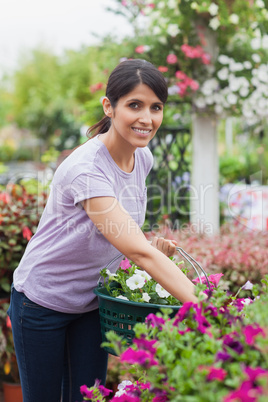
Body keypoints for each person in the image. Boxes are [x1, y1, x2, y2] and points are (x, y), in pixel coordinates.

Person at [8, 59, 197, 402]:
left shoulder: (143, 158)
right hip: (42, 302)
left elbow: (121, 228)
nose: (147, 118)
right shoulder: (86, 169)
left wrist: (149, 244)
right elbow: (137, 251)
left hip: (91, 304)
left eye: (156, 107)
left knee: (87, 398)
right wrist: (207, 307)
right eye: (134, 105)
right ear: (109, 107)